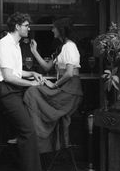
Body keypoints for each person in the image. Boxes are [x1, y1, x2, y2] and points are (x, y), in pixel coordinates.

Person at [0, 12, 49, 171]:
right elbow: (7, 77)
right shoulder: (5, 44)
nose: (28, 28)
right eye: (26, 25)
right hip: (4, 90)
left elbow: (15, 72)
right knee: (27, 131)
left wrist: (32, 74)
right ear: (17, 27)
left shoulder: (14, 45)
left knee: (27, 132)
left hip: (10, 90)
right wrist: (31, 83)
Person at [23, 18, 83, 153]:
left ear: (61, 30)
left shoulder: (70, 46)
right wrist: (34, 51)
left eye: (54, 28)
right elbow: (47, 67)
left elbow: (69, 74)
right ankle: (37, 135)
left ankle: (36, 135)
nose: (52, 30)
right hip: (65, 89)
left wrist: (54, 85)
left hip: (69, 91)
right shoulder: (62, 47)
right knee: (32, 92)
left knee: (32, 92)